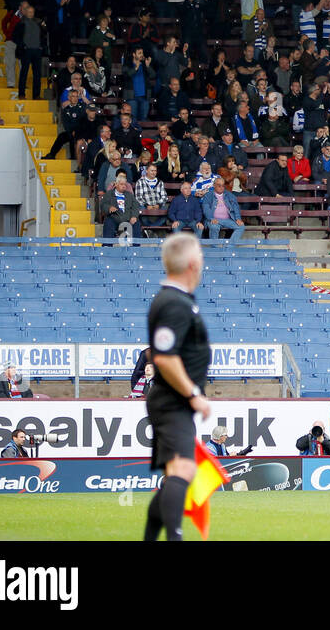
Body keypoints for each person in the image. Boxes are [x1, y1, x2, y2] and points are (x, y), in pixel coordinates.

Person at [143, 233, 213, 542]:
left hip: (172, 401)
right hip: (173, 401)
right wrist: (193, 394)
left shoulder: (178, 301)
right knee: (184, 470)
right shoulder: (173, 303)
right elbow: (166, 359)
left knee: (177, 474)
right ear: (193, 264)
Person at [202, 175, 245, 242]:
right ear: (214, 185)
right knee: (214, 227)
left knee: (241, 226)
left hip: (227, 220)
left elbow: (235, 207)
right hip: (213, 220)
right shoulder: (208, 195)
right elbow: (206, 208)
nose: (221, 187)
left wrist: (238, 219)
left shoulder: (229, 195)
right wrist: (211, 218)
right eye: (219, 185)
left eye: (223, 185)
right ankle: (215, 249)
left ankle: (229, 247)